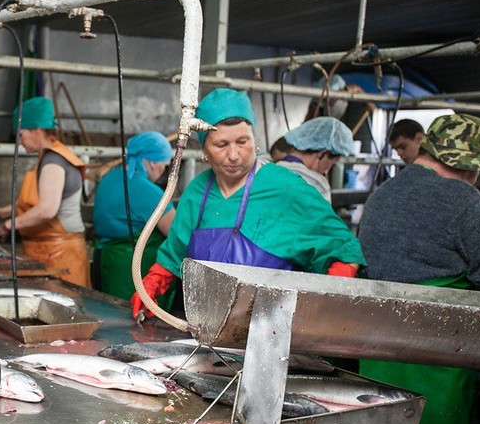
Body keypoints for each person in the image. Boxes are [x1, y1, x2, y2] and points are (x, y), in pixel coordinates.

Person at [130, 88, 365, 321]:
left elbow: (345, 249)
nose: (234, 155)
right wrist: (153, 283)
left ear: (255, 141)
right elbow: (175, 252)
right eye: (221, 145)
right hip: (201, 323)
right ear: (204, 151)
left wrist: (323, 308)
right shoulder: (197, 192)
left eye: (242, 142)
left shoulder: (286, 188)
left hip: (269, 328)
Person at [357, 113, 480, 424]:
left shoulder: (382, 194)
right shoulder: (467, 201)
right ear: (469, 166)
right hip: (438, 352)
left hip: (375, 344)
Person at [0, 97, 90, 287]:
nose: (19, 142)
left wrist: (4, 227)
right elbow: (32, 203)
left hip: (61, 254)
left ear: (36, 130)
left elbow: (46, 210)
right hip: (47, 250)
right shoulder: (48, 157)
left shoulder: (54, 161)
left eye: (20, 134)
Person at [92, 131, 175, 304]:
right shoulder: (148, 192)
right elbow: (175, 234)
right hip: (132, 274)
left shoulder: (108, 179)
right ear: (152, 162)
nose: (163, 171)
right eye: (164, 165)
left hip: (106, 263)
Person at [278, 117, 356, 203]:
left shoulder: (268, 170)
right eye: (331, 164)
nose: (326, 171)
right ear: (322, 154)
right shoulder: (317, 186)